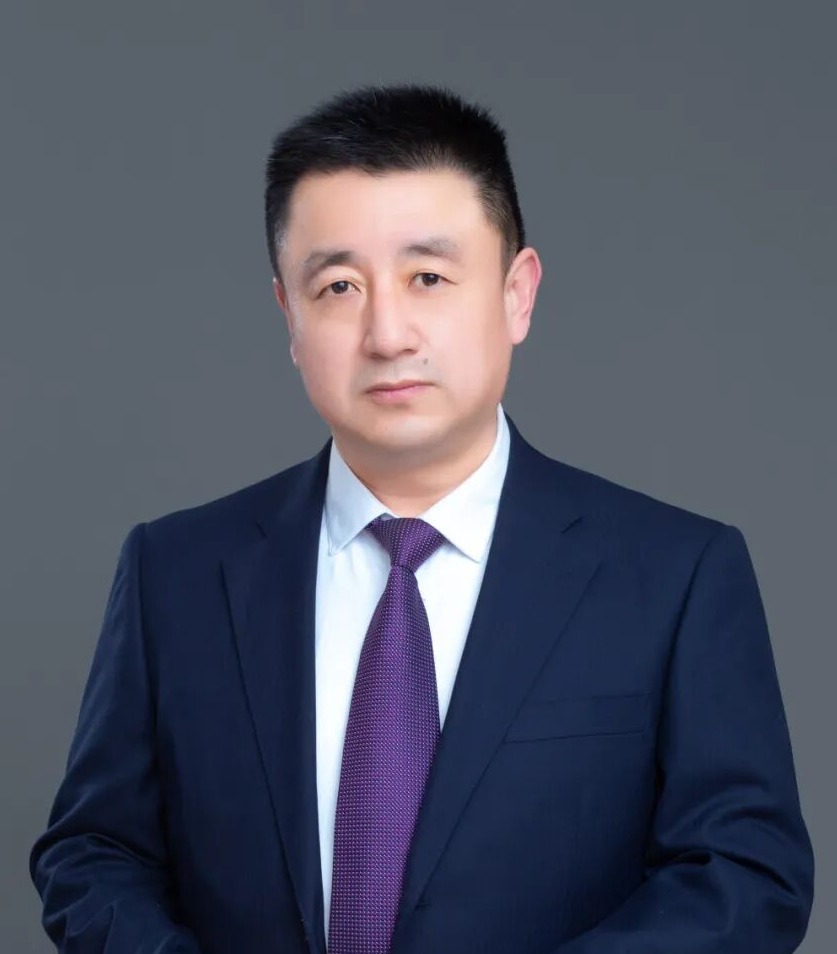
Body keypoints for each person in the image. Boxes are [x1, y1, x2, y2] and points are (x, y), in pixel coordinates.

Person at [30, 84, 814, 954]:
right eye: (338, 286)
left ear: (516, 295)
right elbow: (94, 854)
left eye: (428, 278)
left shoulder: (675, 574)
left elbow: (745, 874)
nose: (387, 333)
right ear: (289, 317)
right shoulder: (175, 571)